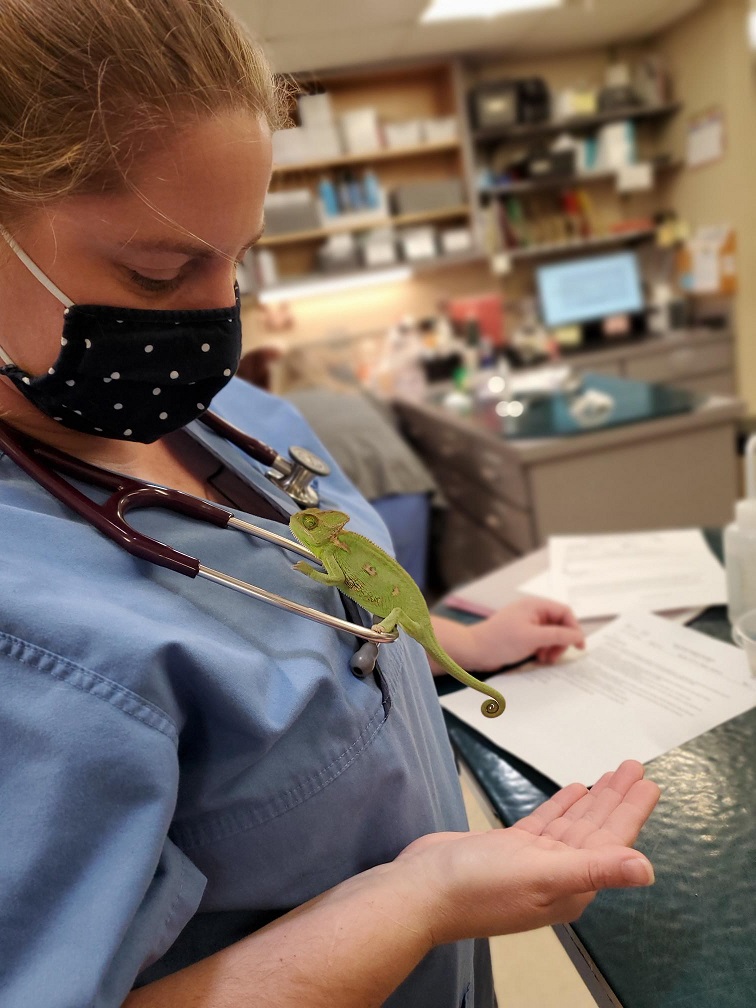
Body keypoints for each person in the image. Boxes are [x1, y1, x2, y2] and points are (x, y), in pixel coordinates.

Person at [0, 1, 661, 1005]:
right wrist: (416, 904)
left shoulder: (230, 416)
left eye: (240, 257)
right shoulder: (27, 630)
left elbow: (305, 602)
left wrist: (443, 642)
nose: (221, 313)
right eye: (158, 269)